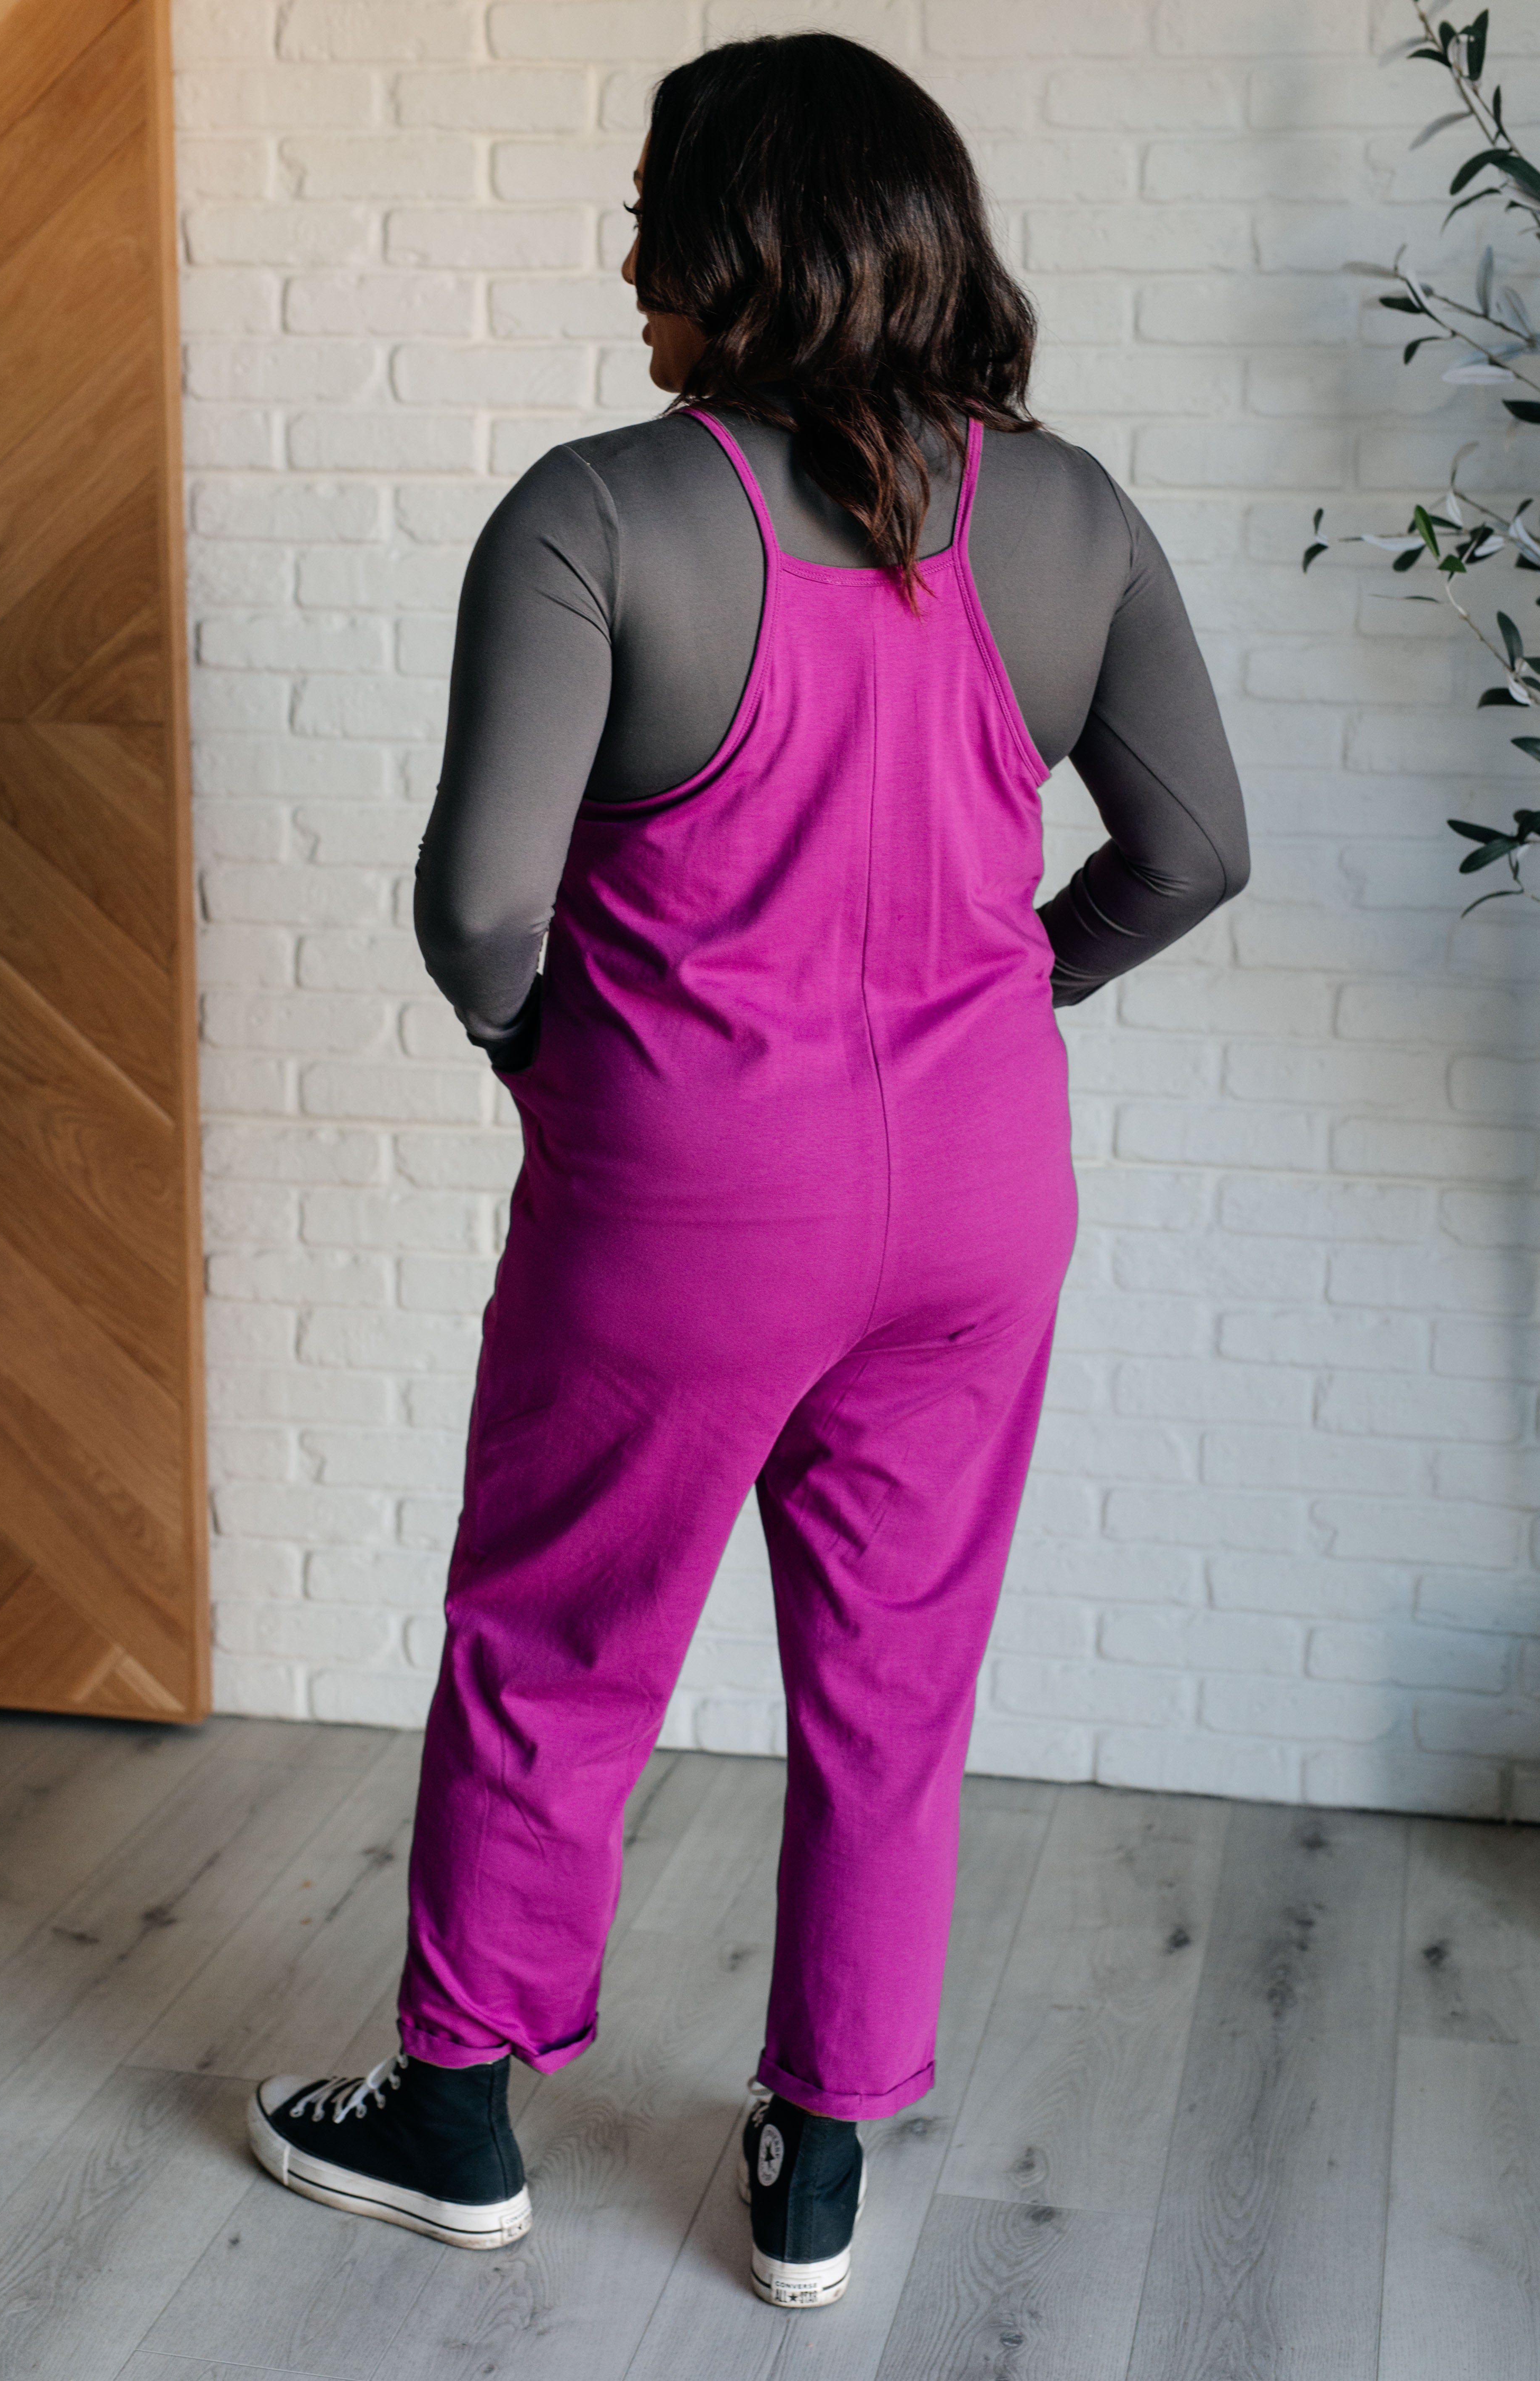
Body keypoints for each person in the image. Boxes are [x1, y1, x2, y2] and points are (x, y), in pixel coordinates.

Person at [247, 32, 1248, 2311]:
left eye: (653, 219)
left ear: (736, 243)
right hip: (980, 1202)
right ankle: (817, 2166)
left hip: (685, 1197)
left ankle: (458, 2117)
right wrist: (1015, 989)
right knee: (897, 1679)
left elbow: (480, 908)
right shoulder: (1072, 513)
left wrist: (543, 1056)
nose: (628, 264)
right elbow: (1194, 849)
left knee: (558, 1646)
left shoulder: (599, 512)